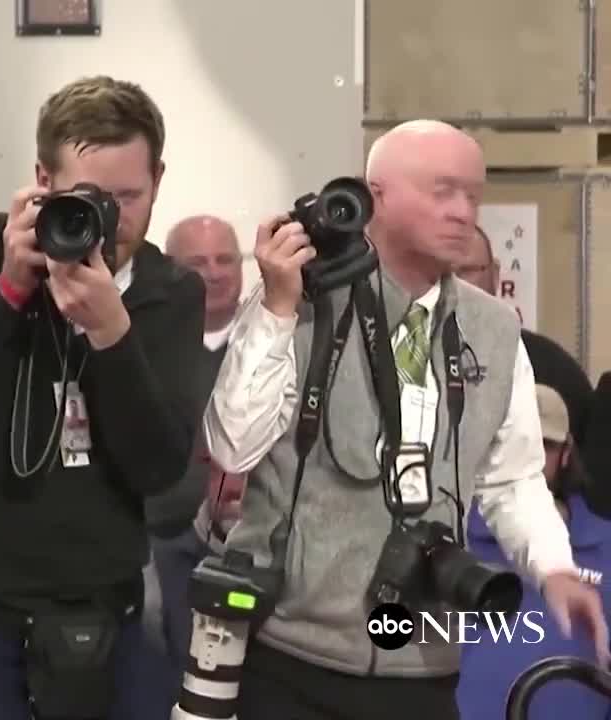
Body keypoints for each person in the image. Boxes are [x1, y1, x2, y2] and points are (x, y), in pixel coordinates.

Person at [204, 118, 608, 720]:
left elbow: (513, 478)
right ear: (375, 195)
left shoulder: (494, 331)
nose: (463, 211)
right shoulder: (301, 301)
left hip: (424, 664)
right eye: (442, 191)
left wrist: (552, 567)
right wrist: (277, 307)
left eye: (474, 194)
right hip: (292, 656)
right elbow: (232, 447)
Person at [0, 75, 205, 719]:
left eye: (129, 197)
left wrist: (112, 331)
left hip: (110, 617)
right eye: (89, 198)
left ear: (159, 180)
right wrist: (7, 292)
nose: (109, 218)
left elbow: (160, 469)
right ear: (42, 181)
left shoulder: (170, 291)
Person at [457, 384, 611, 720]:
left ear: (567, 451)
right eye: (514, 446)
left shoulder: (607, 546)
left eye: (546, 446)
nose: (532, 459)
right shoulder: (456, 535)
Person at [142, 214, 245, 666]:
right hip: (153, 540)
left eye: (226, 259)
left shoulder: (276, 342)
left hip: (242, 541)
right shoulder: (138, 340)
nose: (215, 271)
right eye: (198, 261)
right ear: (170, 267)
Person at [454, 224, 593, 448]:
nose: (452, 283)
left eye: (465, 270)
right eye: (439, 272)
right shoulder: (403, 363)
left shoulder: (555, 373)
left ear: (495, 273)